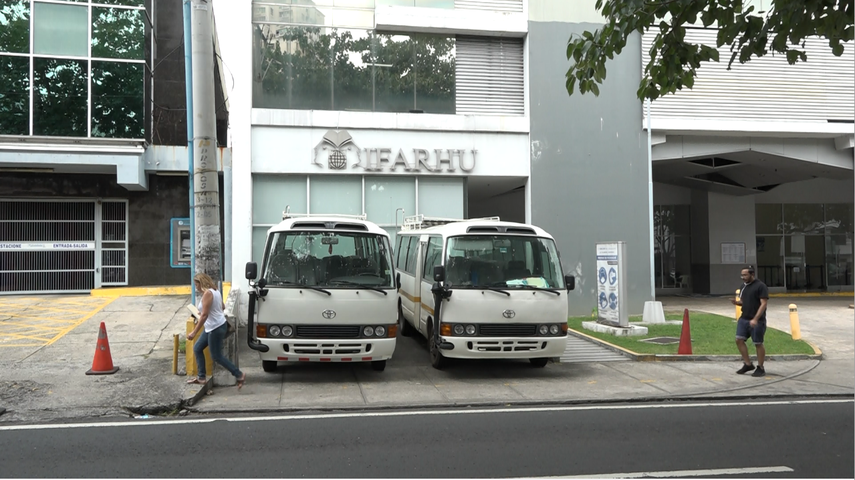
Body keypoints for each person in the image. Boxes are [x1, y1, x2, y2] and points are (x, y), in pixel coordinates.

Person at [186, 273, 246, 389]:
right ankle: (201, 377)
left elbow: (204, 316)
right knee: (197, 348)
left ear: (201, 283)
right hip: (214, 326)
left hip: (215, 328)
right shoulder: (215, 291)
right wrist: (206, 311)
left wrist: (194, 332)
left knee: (216, 356)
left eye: (196, 284)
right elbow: (222, 307)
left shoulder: (208, 293)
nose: (196, 287)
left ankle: (239, 374)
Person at [730, 266, 769, 377]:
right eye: (742, 275)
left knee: (758, 343)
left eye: (745, 275)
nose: (743, 277)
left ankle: (760, 367)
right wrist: (737, 303)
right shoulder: (743, 286)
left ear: (752, 274)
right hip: (744, 318)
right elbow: (744, 301)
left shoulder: (761, 286)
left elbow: (763, 303)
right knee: (739, 340)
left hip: (757, 320)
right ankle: (748, 364)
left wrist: (756, 319)